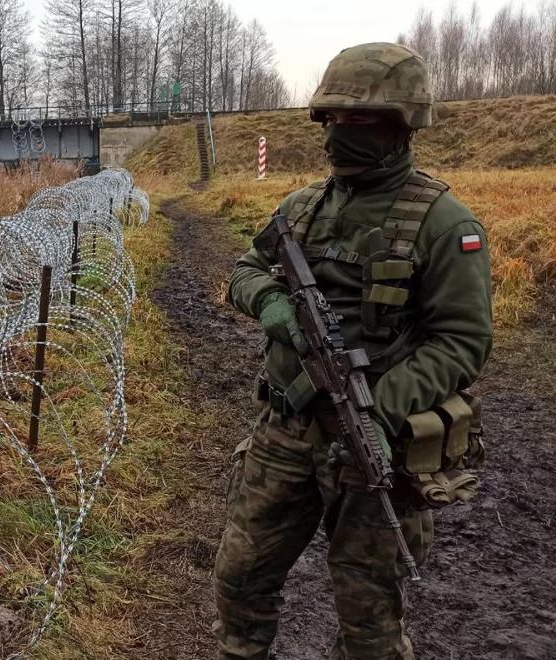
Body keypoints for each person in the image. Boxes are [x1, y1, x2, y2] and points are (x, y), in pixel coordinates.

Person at [214, 42, 493, 659]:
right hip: (285, 431)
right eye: (332, 120)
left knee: (369, 623)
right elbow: (246, 267)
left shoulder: (446, 224)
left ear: (402, 126)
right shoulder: (302, 207)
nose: (340, 135)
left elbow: (463, 342)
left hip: (376, 446)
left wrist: (377, 407)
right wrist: (269, 302)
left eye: (359, 121)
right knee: (239, 581)